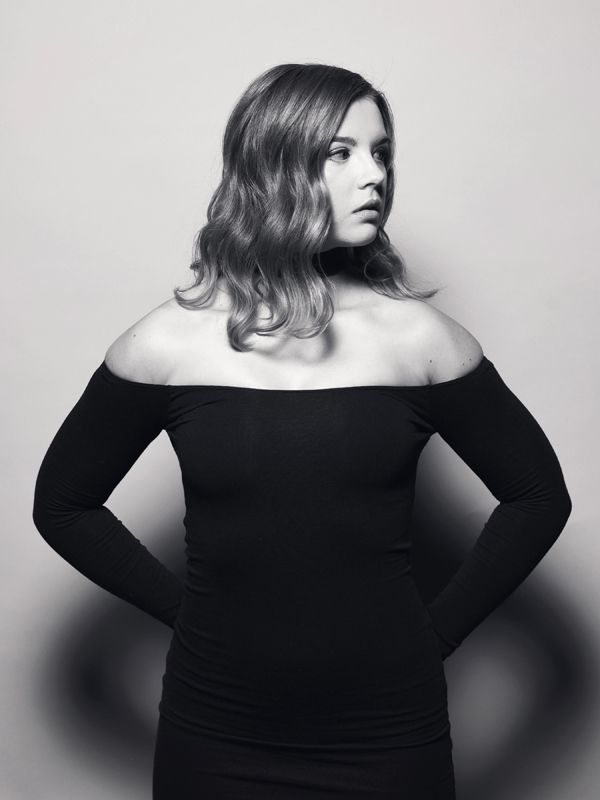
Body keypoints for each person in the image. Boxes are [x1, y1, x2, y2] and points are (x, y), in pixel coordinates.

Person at [32, 63, 572, 799]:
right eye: (341, 153)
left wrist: (436, 636)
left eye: (382, 152)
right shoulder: (167, 343)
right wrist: (185, 616)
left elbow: (538, 498)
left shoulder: (419, 338)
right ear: (274, 165)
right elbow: (63, 504)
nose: (374, 175)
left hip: (387, 735)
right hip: (215, 732)